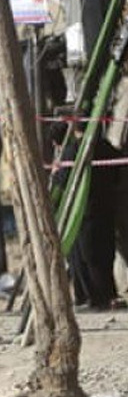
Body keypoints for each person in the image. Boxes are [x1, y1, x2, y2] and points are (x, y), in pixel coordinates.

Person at [51, 116, 120, 310]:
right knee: (106, 252)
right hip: (106, 207)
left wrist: (56, 174)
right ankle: (108, 294)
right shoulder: (106, 147)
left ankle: (98, 298)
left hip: (84, 210)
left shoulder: (74, 151)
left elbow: (62, 180)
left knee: (88, 255)